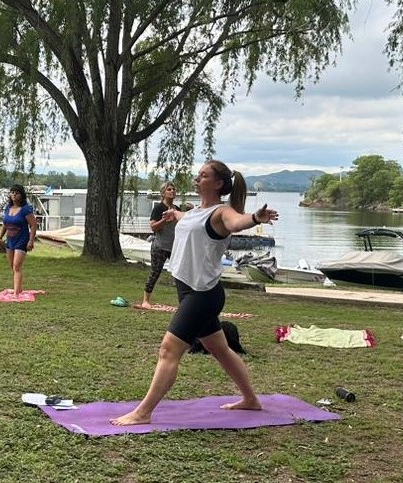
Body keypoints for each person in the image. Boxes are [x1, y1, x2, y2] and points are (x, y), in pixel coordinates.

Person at [111, 159, 279, 425]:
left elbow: (236, 222)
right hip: (189, 292)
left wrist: (256, 218)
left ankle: (143, 412)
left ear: (218, 184)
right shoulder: (195, 212)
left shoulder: (221, 213)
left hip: (203, 295)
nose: (197, 179)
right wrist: (173, 216)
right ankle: (251, 400)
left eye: (203, 176)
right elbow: (185, 218)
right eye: (198, 175)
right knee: (220, 350)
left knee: (168, 350)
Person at [141, 182, 181, 308]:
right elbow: (153, 227)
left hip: (174, 247)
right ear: (163, 193)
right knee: (155, 273)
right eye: (169, 189)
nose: (172, 191)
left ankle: (184, 303)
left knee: (180, 274)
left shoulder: (177, 210)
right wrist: (165, 219)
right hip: (159, 247)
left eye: (173, 189)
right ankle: (145, 301)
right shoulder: (159, 208)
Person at [0, 184, 38, 297]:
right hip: (10, 240)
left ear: (21, 195)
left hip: (22, 240)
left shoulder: (25, 210)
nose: (14, 194)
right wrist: (0, 237)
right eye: (12, 192)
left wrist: (31, 241)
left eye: (17, 192)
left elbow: (33, 225)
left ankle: (16, 293)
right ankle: (17, 288)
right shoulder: (8, 208)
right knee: (12, 266)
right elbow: (5, 224)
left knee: (17, 266)